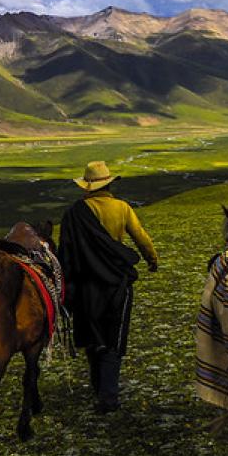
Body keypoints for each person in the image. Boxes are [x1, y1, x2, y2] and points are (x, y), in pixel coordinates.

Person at [57, 160, 159, 413]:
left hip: (84, 284)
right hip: (116, 282)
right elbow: (141, 237)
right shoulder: (121, 208)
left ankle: (99, 389)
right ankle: (108, 396)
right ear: (110, 183)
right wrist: (152, 259)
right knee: (113, 337)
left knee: (93, 336)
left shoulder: (74, 213)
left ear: (87, 187)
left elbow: (65, 252)